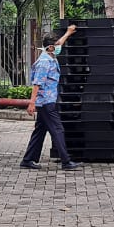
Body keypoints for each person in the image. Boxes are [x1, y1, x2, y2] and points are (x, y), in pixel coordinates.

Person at [20, 25, 80, 171]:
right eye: (56, 45)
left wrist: (68, 32)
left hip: (48, 100)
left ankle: (28, 160)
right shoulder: (44, 62)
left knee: (39, 131)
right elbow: (37, 84)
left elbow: (59, 43)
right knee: (58, 129)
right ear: (50, 47)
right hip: (45, 102)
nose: (59, 46)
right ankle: (66, 161)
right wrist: (31, 103)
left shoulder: (50, 55)